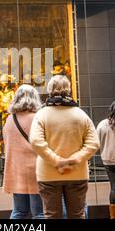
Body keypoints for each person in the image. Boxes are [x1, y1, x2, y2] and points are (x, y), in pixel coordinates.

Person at [30, 75, 99, 219]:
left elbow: (36, 141)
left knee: (51, 215)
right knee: (77, 215)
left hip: (48, 175)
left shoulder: (41, 115)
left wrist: (57, 160)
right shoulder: (81, 115)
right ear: (69, 90)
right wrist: (75, 159)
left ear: (49, 90)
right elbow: (94, 143)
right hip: (77, 174)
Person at [2, 85, 44, 219]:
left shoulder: (10, 119)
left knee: (19, 211)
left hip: (16, 171)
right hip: (36, 171)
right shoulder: (37, 118)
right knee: (39, 213)